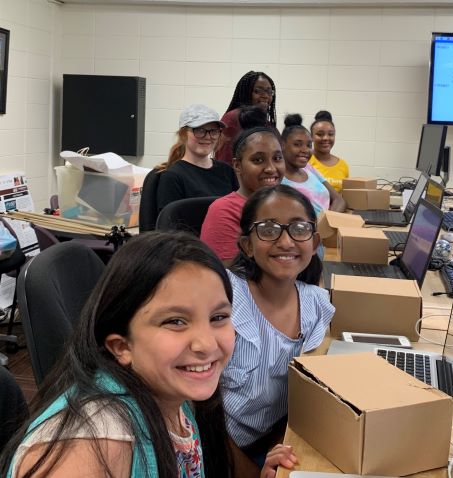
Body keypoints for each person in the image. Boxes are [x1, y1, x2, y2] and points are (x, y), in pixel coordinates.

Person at [1, 232, 237, 478]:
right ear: (122, 347)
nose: (207, 344)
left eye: (218, 317)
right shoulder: (91, 450)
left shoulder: (172, 392)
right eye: (175, 321)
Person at [221, 185, 335, 476]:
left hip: (266, 444)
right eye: (269, 229)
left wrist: (276, 449)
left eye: (299, 229)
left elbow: (293, 400)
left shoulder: (315, 305)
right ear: (247, 245)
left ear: (314, 241)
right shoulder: (224, 305)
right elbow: (195, 414)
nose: (286, 241)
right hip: (214, 450)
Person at [201, 106, 285, 264]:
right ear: (237, 165)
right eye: (258, 160)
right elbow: (230, 278)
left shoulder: (287, 203)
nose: (271, 168)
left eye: (277, 158)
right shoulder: (224, 210)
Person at [155, 104, 239, 213]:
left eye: (214, 131)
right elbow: (169, 225)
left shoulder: (227, 171)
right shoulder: (173, 176)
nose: (208, 137)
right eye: (200, 130)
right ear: (183, 134)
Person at [281, 114, 346, 216]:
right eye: (297, 144)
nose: (305, 150)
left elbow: (339, 200)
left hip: (326, 227)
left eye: (309, 145)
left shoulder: (308, 168)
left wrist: (326, 222)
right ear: (282, 145)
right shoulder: (277, 178)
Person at [215, 71, 277, 166]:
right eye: (258, 91)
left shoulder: (267, 124)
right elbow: (224, 160)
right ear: (246, 93)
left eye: (269, 91)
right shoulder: (232, 118)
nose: (265, 96)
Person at [308, 110, 349, 192]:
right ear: (311, 137)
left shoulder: (343, 165)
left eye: (330, 134)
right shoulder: (305, 161)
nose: (326, 138)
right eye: (320, 134)